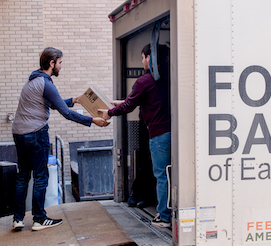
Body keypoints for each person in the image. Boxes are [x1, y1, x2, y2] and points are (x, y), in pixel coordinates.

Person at [12, 47, 109, 232]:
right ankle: (39, 219)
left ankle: (18, 219)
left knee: (23, 176)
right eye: (60, 63)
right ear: (52, 63)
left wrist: (74, 99)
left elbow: (53, 104)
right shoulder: (46, 84)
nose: (61, 67)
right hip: (35, 134)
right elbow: (65, 113)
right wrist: (92, 120)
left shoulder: (33, 79)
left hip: (19, 133)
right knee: (41, 176)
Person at [100, 44, 171, 227]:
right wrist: (120, 103)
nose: (142, 61)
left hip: (158, 134)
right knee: (170, 174)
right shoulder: (169, 77)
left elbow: (130, 106)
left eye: (143, 57)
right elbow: (143, 99)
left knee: (161, 174)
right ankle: (170, 210)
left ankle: (164, 216)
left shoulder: (144, 80)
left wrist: (110, 112)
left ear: (150, 57)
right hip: (173, 133)